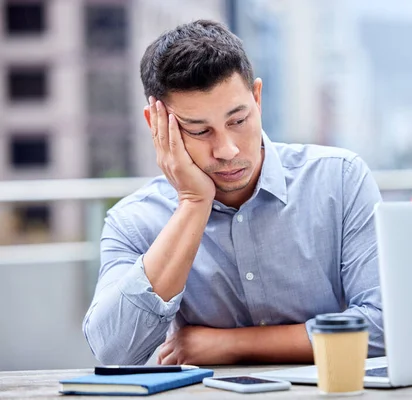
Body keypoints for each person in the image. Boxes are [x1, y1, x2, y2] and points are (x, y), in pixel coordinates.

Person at [82, 19, 384, 366]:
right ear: (157, 125)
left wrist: (231, 344)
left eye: (238, 121)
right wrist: (194, 204)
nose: (226, 149)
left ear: (257, 98)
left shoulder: (339, 180)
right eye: (199, 131)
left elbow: (383, 324)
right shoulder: (133, 221)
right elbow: (113, 354)